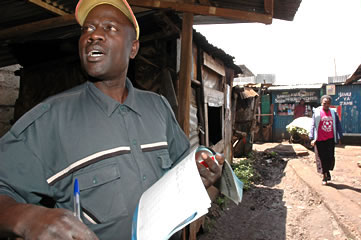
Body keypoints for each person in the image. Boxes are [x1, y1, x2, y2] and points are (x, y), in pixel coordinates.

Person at [0, 0, 224, 239]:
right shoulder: (51, 119)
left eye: (110, 28)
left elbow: (181, 170)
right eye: (87, 29)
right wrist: (26, 218)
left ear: (133, 48)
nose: (94, 35)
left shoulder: (158, 107)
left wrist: (202, 172)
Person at [309, 95, 343, 185]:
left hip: (330, 139)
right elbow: (313, 125)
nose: (326, 105)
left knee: (330, 157)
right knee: (321, 158)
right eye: (325, 103)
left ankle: (327, 171)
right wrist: (312, 137)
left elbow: (338, 124)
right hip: (319, 140)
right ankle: (324, 176)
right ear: (321, 103)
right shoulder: (317, 113)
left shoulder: (333, 113)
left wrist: (339, 136)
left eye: (328, 103)